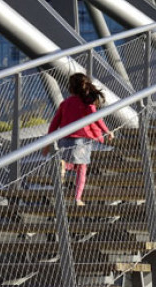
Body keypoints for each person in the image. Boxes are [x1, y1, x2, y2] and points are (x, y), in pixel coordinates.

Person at [43, 73, 113, 206]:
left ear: (71, 88)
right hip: (81, 139)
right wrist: (107, 131)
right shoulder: (87, 102)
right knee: (82, 167)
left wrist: (48, 141)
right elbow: (96, 117)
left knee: (74, 162)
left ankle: (64, 165)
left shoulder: (65, 103)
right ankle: (77, 198)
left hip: (65, 139)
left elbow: (54, 123)